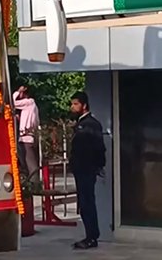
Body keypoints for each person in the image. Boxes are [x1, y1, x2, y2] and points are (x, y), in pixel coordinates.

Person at [69, 91, 106, 250]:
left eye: (76, 104)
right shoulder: (82, 123)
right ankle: (90, 235)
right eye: (72, 104)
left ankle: (92, 236)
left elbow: (97, 148)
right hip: (82, 169)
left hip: (86, 169)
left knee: (87, 203)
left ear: (84, 105)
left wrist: (97, 166)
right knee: (84, 203)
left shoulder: (89, 124)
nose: (73, 107)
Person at [14, 85, 41, 181]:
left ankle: (34, 185)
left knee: (30, 164)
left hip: (27, 138)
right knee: (27, 162)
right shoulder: (33, 106)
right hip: (29, 137)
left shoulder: (28, 102)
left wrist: (17, 91)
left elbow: (11, 102)